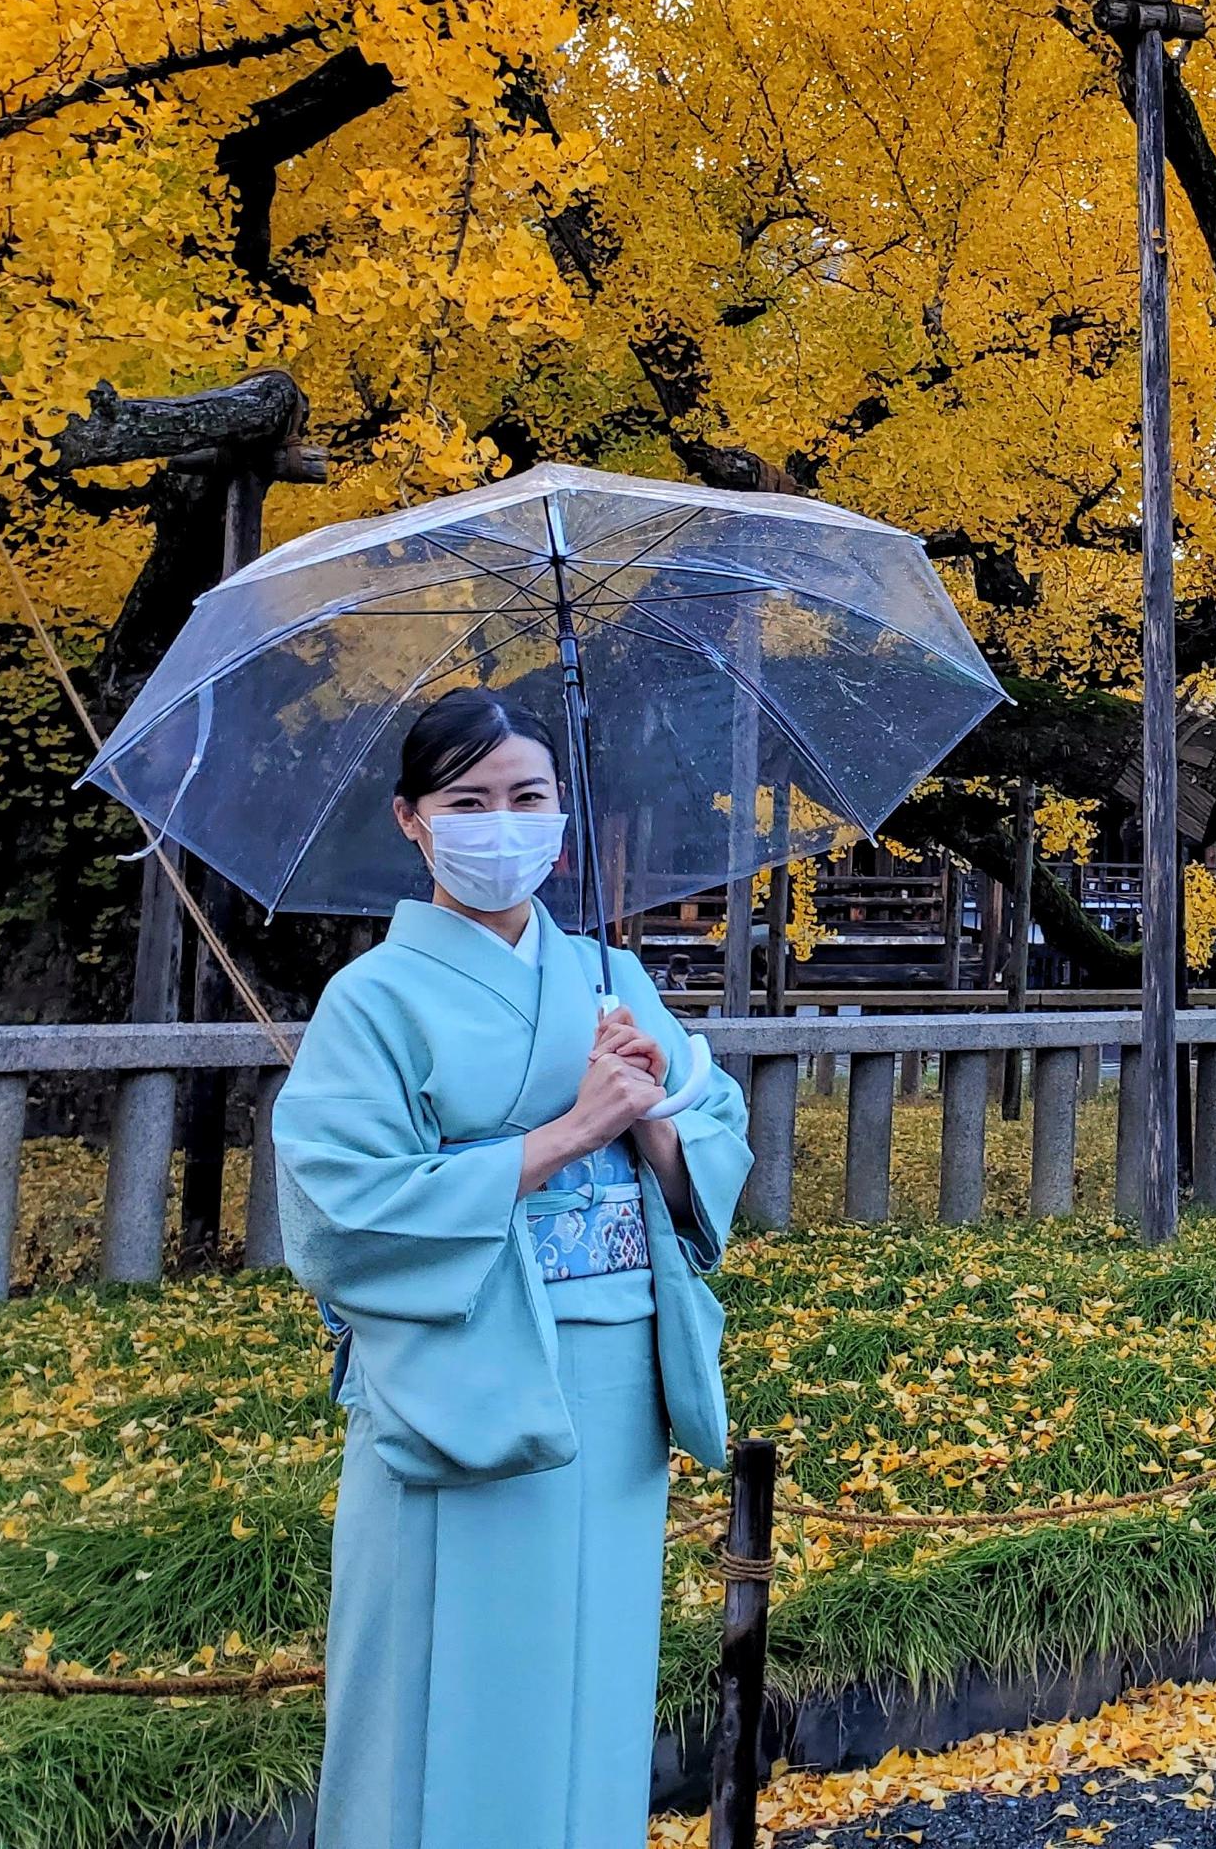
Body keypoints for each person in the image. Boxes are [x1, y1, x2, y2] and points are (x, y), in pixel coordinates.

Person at [273, 687, 753, 1847]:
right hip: (464, 1374)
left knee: (592, 1666)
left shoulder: (612, 976)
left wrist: (652, 1127)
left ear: (561, 817)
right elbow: (342, 1210)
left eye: (527, 797)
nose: (503, 823)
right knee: (449, 1681)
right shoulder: (374, 998)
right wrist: (565, 1135)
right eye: (468, 800)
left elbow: (717, 1125)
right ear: (412, 820)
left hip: (617, 1373)